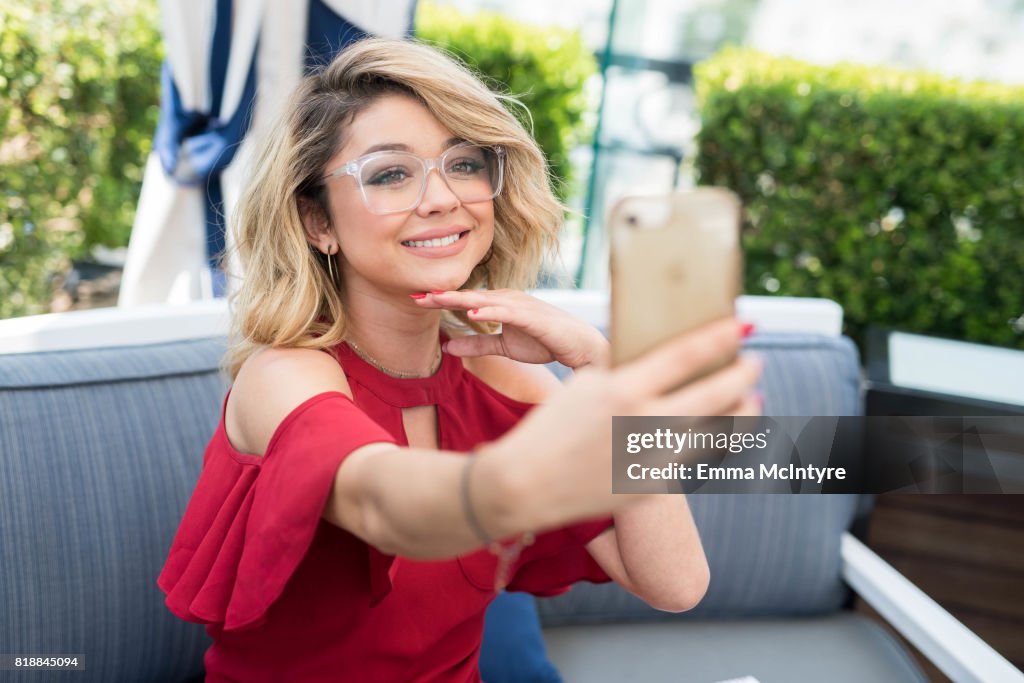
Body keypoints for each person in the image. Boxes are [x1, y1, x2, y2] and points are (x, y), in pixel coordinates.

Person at [157, 37, 762, 681]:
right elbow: (382, 506)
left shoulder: (504, 377)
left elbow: (675, 583)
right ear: (317, 222)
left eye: (464, 163)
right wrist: (522, 478)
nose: (443, 198)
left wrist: (604, 370)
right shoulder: (285, 376)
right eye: (390, 174)